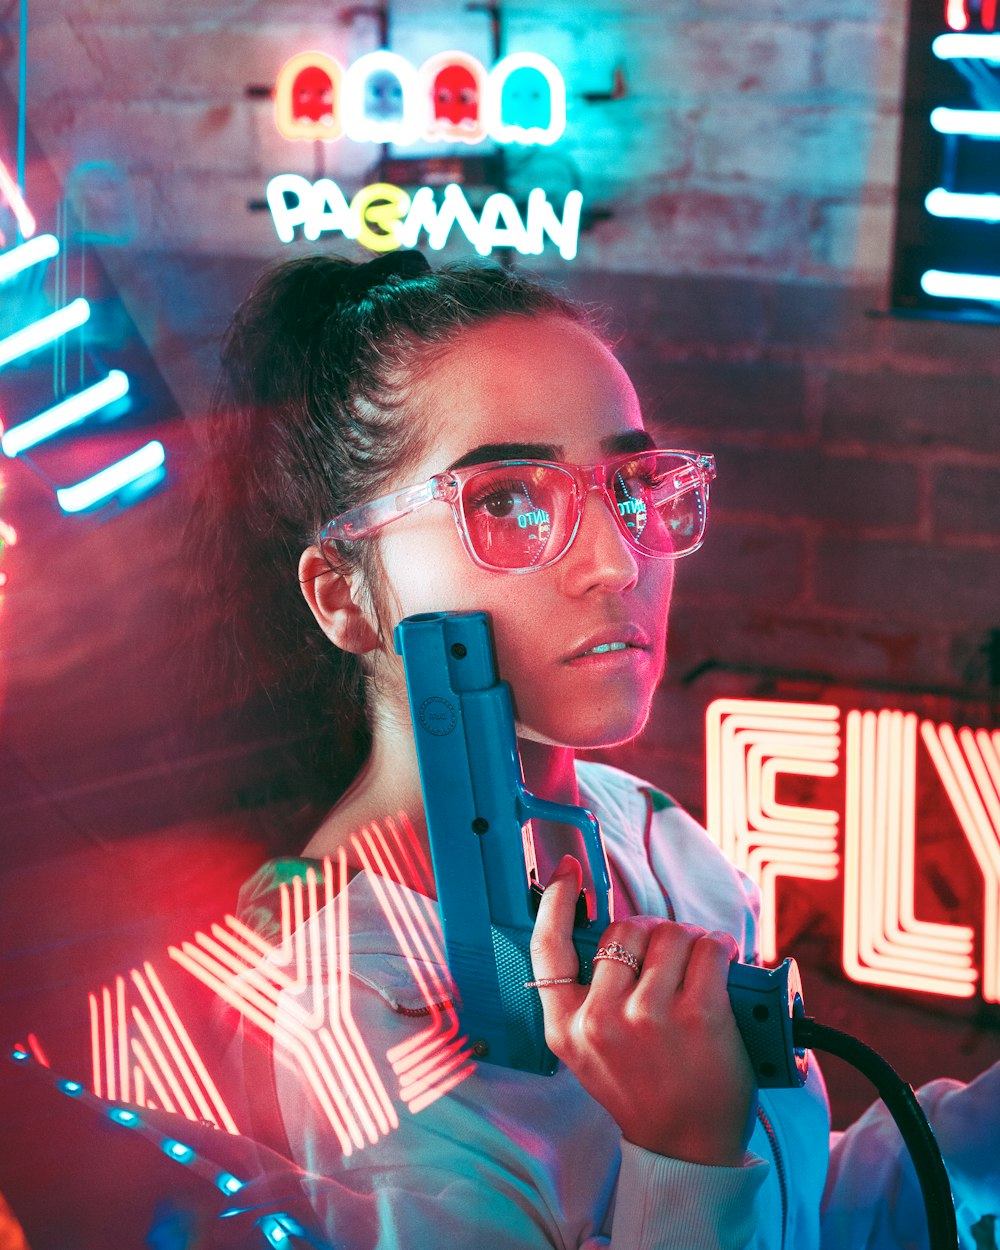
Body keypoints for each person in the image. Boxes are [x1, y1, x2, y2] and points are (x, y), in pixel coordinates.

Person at [193, 250, 997, 1250]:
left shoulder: (655, 836)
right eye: (505, 500)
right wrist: (684, 1158)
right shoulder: (348, 1001)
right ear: (343, 594)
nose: (621, 555)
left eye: (633, 483)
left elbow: (799, 1209)